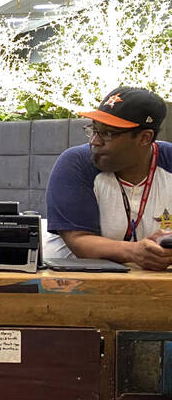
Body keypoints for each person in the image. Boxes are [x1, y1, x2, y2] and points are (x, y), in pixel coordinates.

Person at [46, 86, 172, 270]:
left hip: (151, 287)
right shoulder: (75, 163)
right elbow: (78, 240)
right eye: (94, 129)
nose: (94, 141)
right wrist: (134, 251)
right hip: (74, 285)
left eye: (108, 133)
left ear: (145, 138)